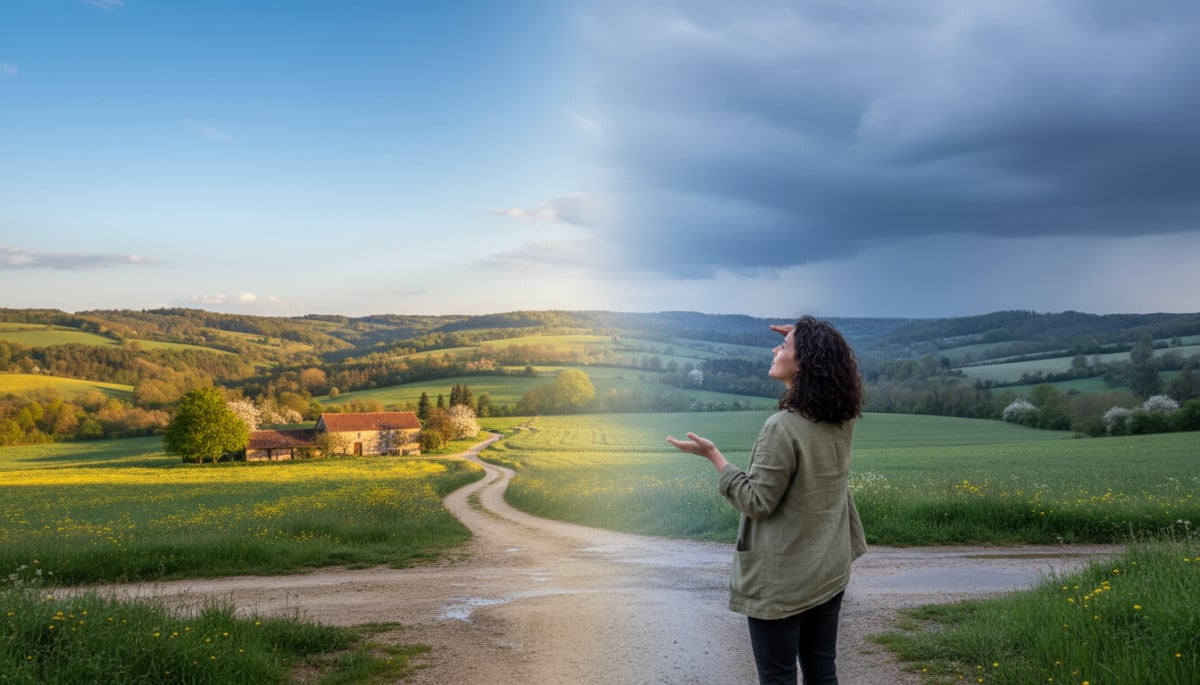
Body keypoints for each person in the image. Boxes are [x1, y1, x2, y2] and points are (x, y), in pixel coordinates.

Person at [666, 316, 867, 685]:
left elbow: (757, 502)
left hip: (784, 580)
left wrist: (716, 458)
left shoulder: (782, 426)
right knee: (823, 670)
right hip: (829, 566)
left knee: (778, 677)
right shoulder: (841, 416)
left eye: (785, 347)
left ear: (804, 362)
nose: (775, 350)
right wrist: (810, 337)